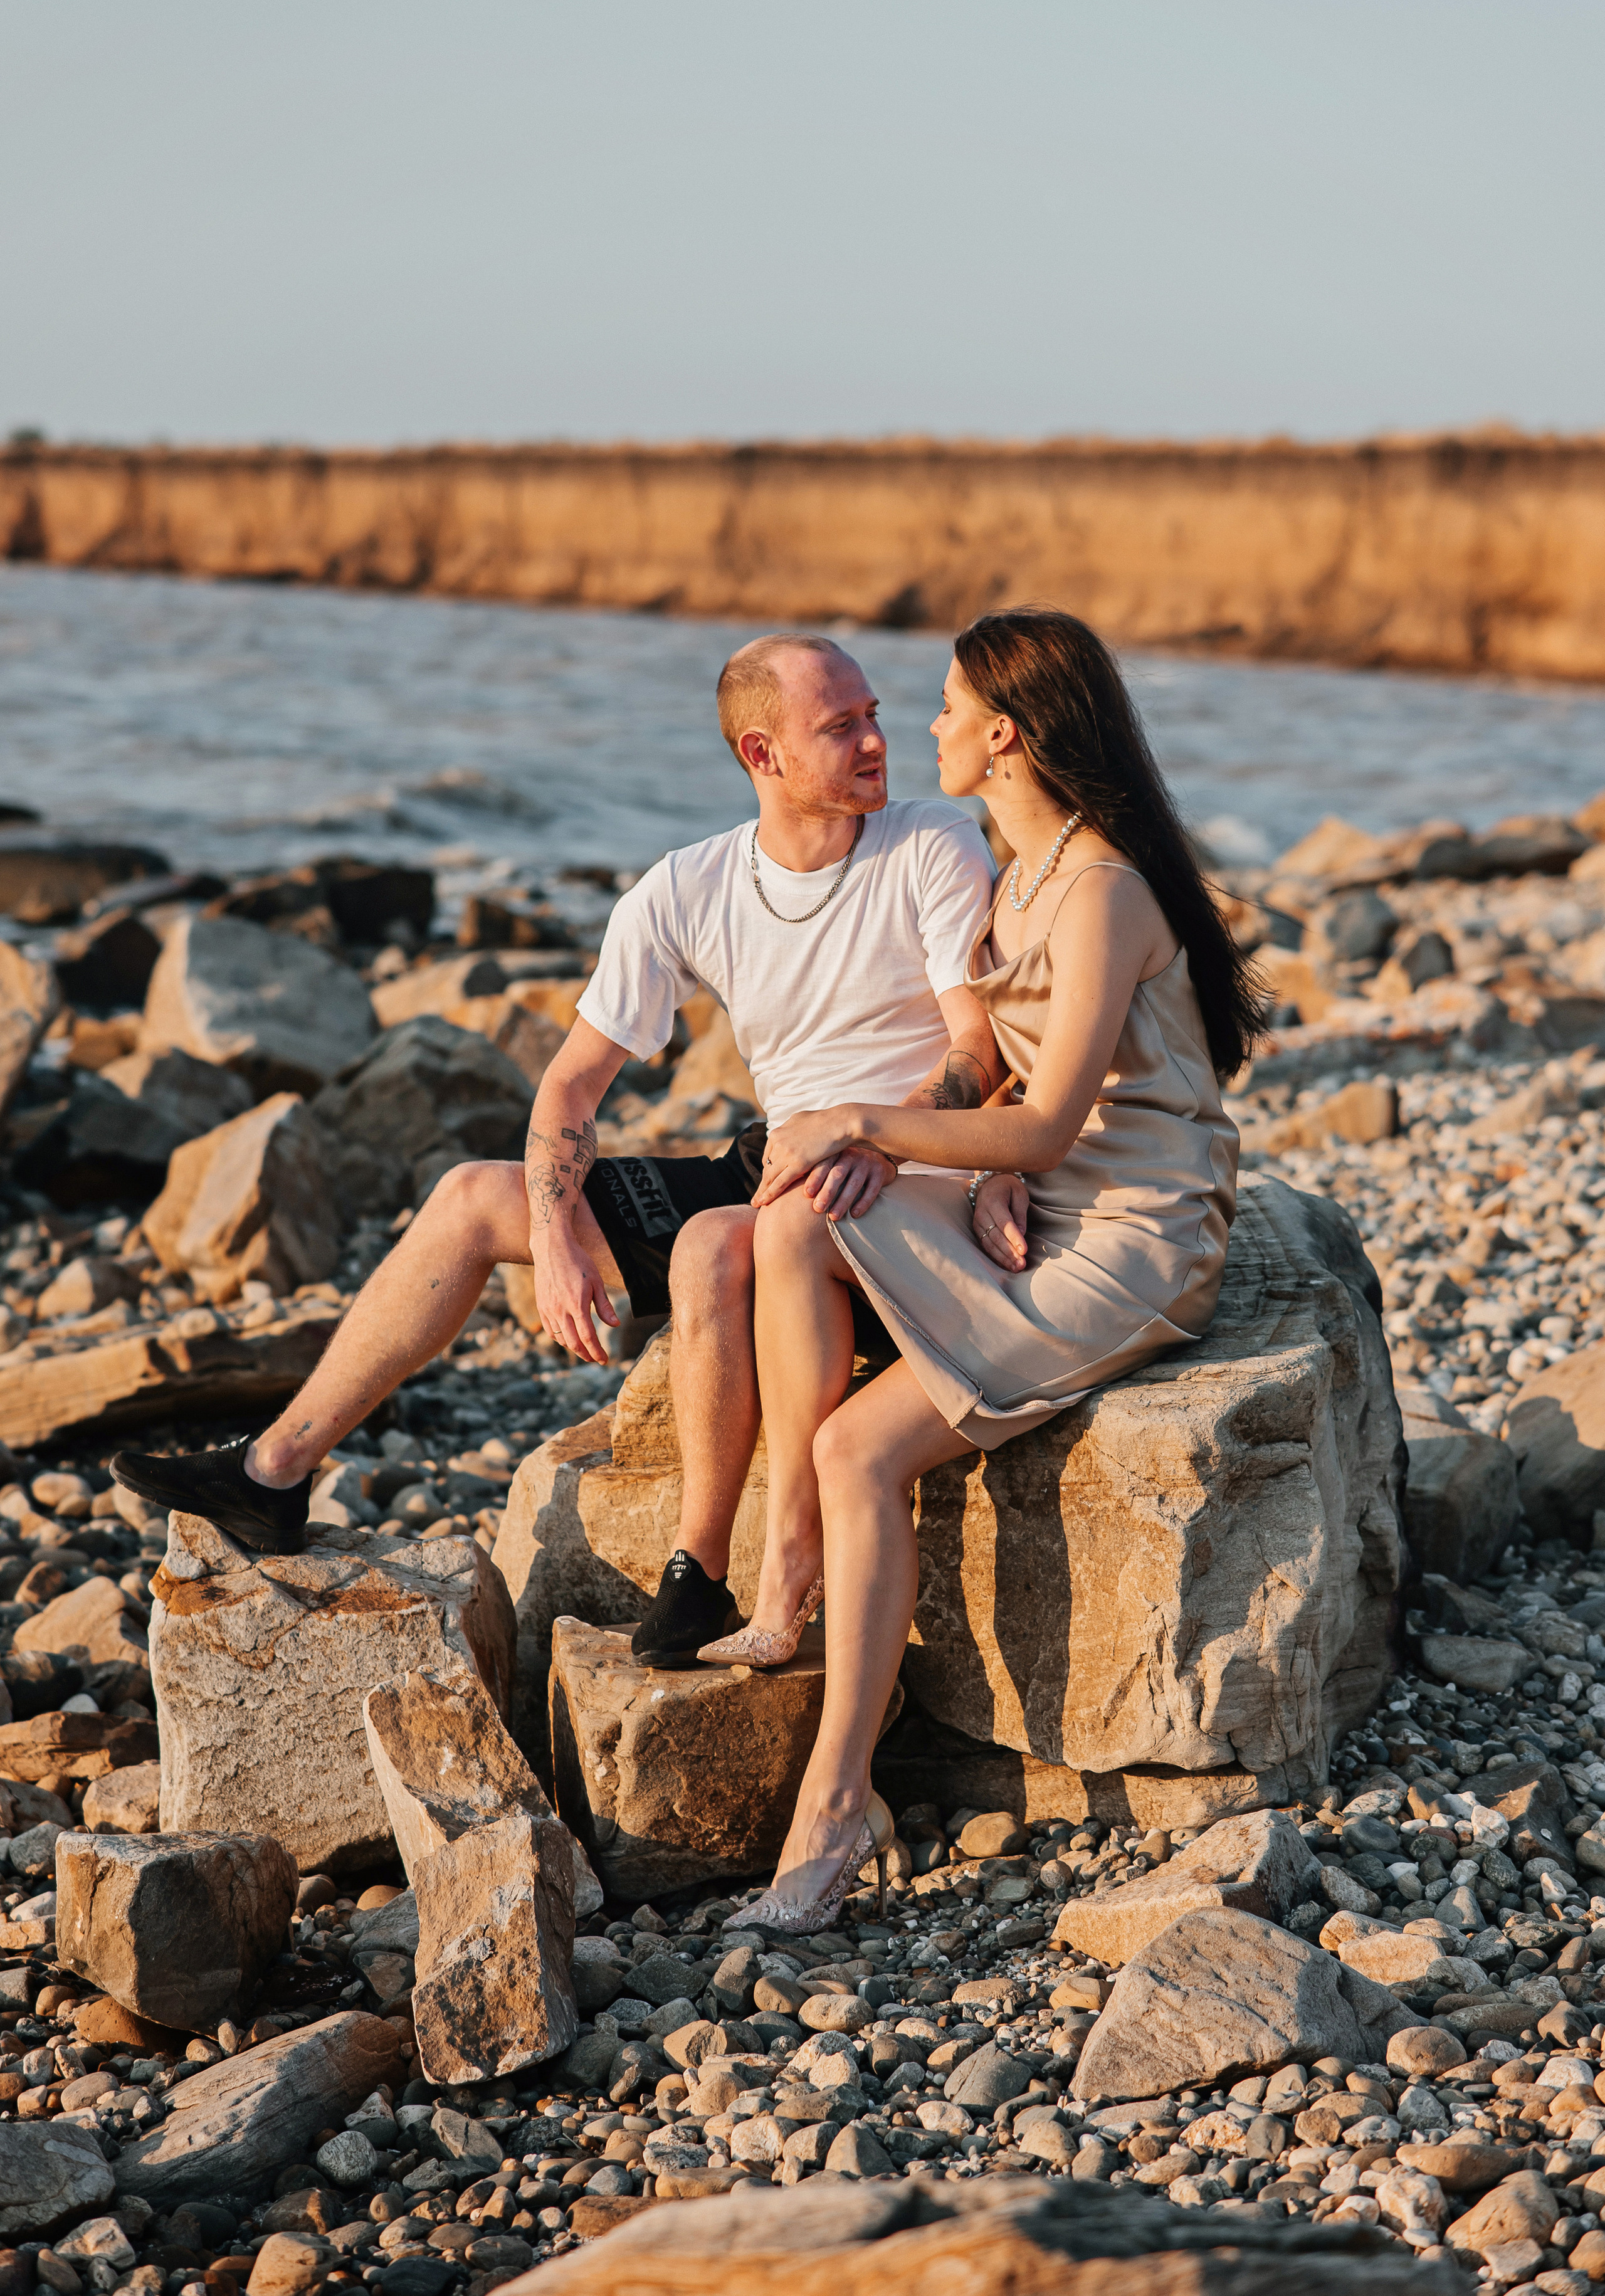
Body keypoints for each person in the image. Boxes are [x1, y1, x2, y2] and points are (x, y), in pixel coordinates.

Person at [112, 633, 1001, 1665]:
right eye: (840, 725)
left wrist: (887, 1143)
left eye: (874, 714)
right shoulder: (687, 887)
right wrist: (553, 1228)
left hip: (899, 1173)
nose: (876, 741)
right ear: (761, 754)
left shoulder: (931, 842)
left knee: (717, 1240)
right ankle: (271, 1471)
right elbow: (573, 1083)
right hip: (772, 1167)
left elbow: (976, 1051)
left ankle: (698, 1572)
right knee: (470, 1196)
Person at [706, 608, 1263, 1933]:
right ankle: (785, 1567)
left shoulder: (1104, 889)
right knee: (786, 1216)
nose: (923, 730)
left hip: (1133, 1243)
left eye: (946, 710)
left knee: (858, 1450)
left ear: (1005, 736)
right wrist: (978, 1166)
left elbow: (1052, 1120)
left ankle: (830, 1817)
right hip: (1037, 1207)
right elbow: (1014, 1101)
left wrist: (865, 1122)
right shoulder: (1017, 874)